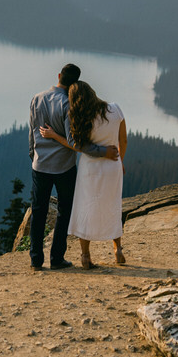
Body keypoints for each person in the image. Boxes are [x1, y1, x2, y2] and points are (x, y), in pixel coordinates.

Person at [27, 64, 118, 271]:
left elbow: (32, 132)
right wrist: (103, 151)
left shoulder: (37, 98)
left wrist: (33, 155)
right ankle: (57, 258)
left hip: (39, 165)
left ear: (59, 76)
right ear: (74, 83)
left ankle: (35, 260)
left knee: (38, 211)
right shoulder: (68, 105)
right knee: (64, 212)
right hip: (63, 168)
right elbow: (75, 143)